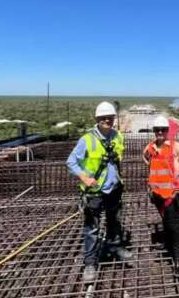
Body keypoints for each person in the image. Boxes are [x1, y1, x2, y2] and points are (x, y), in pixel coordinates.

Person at [67, 101, 132, 283]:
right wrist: (85, 178)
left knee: (114, 222)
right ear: (97, 119)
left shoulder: (118, 136)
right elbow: (71, 162)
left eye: (110, 118)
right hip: (94, 192)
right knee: (91, 229)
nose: (107, 120)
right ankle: (90, 263)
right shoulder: (86, 140)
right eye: (103, 118)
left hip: (113, 189)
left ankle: (114, 247)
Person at [142, 115, 179, 277]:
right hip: (156, 193)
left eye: (163, 130)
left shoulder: (173, 146)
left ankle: (178, 258)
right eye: (157, 130)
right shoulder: (151, 147)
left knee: (174, 225)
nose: (160, 133)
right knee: (165, 221)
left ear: (167, 131)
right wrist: (150, 164)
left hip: (171, 193)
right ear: (154, 131)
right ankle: (169, 245)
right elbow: (145, 156)